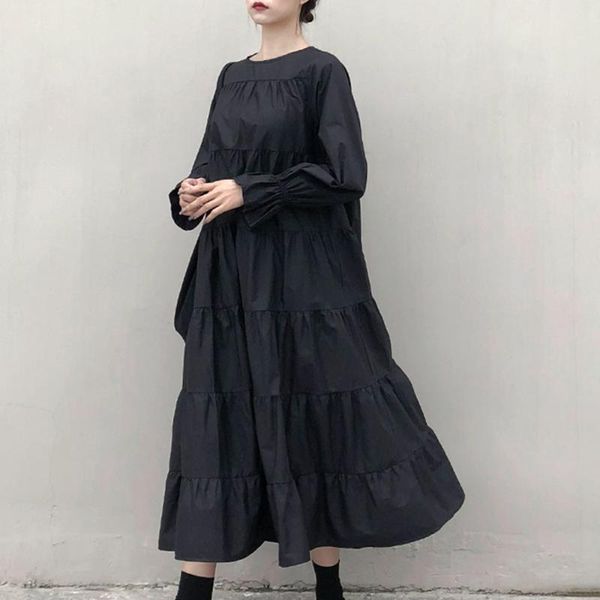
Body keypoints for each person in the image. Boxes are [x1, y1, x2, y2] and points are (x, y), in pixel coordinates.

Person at [158, 1, 466, 599]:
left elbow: (346, 174)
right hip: (231, 275)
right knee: (218, 417)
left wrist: (252, 190)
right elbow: (212, 164)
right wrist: (189, 194)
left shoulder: (323, 71)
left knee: (311, 413)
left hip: (301, 276)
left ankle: (329, 587)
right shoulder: (231, 75)